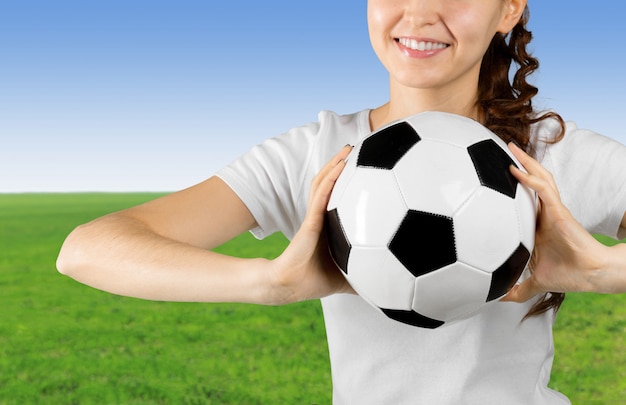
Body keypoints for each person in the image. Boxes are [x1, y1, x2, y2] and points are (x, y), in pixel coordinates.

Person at [57, 0, 626, 403]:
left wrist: (600, 270)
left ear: (509, 10)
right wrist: (273, 282)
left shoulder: (550, 157)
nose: (420, 13)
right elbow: (86, 250)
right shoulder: (318, 155)